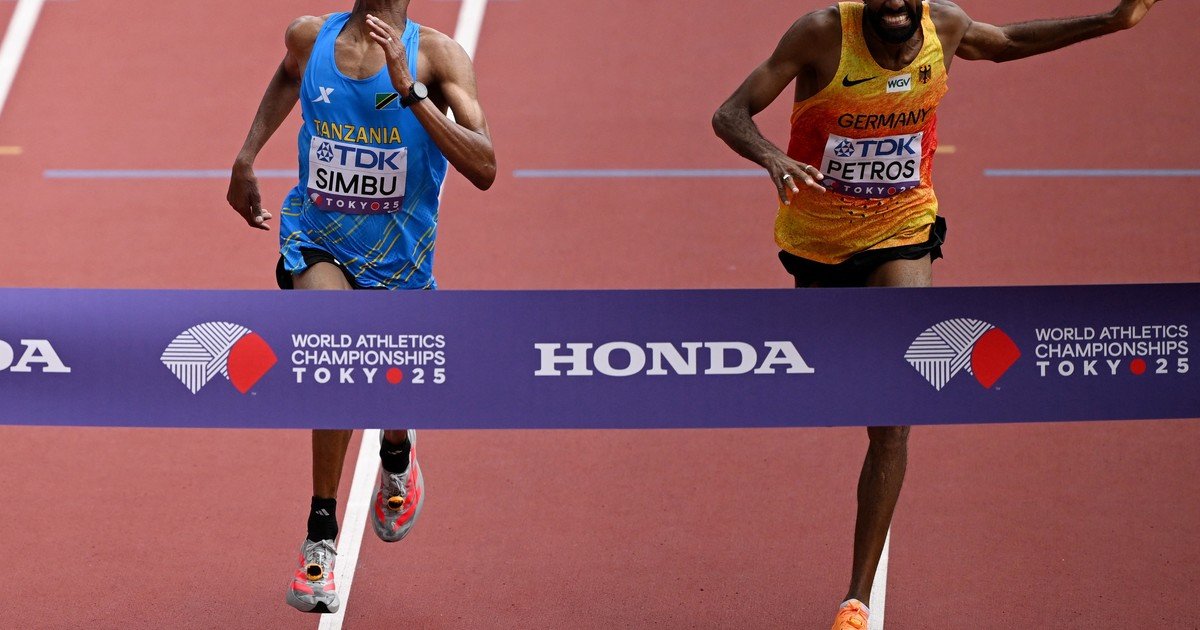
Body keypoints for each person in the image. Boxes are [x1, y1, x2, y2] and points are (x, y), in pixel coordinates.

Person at [712, 0, 1161, 627]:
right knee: (834, 388)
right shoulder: (820, 35)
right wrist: (772, 157)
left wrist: (1110, 22)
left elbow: (1002, 40)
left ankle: (856, 600)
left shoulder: (943, 25)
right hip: (817, 242)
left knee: (895, 411)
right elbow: (729, 113)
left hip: (904, 225)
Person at [226, 0, 495, 614]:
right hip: (316, 237)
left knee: (385, 382)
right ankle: (320, 537)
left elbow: (485, 166)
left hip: (401, 258)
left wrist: (412, 92)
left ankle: (396, 452)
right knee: (336, 350)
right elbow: (290, 76)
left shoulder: (438, 56)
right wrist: (247, 155)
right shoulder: (307, 38)